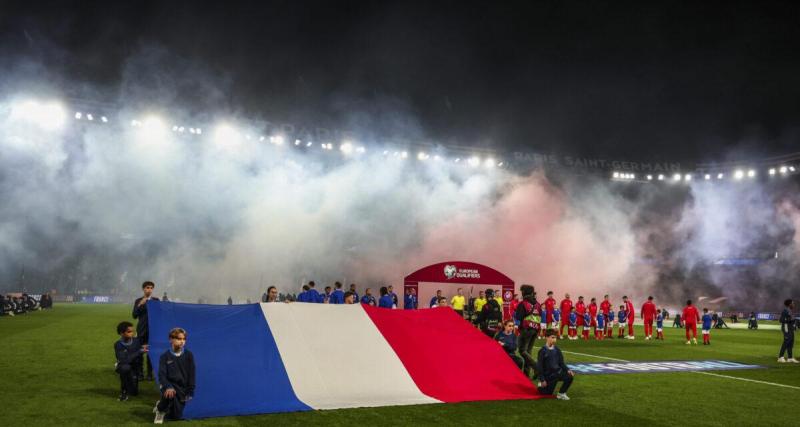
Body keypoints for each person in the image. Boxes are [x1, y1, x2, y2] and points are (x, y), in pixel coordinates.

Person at [154, 328, 196, 424]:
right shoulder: (164, 356)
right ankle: (160, 410)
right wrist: (168, 386)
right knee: (169, 392)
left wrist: (190, 390)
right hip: (168, 385)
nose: (182, 341)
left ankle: (161, 405)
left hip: (181, 388)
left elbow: (191, 374)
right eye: (178, 339)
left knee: (176, 416)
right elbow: (162, 375)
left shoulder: (189, 355)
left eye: (184, 339)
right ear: (170, 339)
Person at [536, 329, 575, 400]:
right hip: (549, 376)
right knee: (546, 394)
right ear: (546, 337)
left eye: (555, 337)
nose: (554, 339)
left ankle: (561, 393)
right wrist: (542, 379)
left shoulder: (557, 350)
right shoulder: (542, 351)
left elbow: (561, 363)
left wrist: (568, 370)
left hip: (557, 373)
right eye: (552, 337)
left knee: (569, 376)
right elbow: (540, 367)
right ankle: (540, 386)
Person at [132, 281, 159, 380]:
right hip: (142, 329)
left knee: (150, 352)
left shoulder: (156, 300)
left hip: (153, 330)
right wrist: (140, 304)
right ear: (143, 289)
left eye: (151, 288)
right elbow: (134, 315)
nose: (149, 289)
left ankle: (149, 374)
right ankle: (140, 373)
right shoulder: (138, 300)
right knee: (139, 352)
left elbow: (159, 314)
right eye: (147, 287)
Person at [114, 321, 147, 401]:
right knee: (125, 368)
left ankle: (132, 381)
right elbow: (124, 360)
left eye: (132, 331)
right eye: (129, 332)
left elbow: (139, 355)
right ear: (122, 333)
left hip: (135, 367)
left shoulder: (136, 341)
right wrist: (139, 351)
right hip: (124, 365)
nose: (132, 333)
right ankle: (123, 391)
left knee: (134, 392)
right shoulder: (118, 345)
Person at [514, 285, 540, 379]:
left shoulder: (523, 304)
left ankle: (536, 367)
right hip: (535, 330)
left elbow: (518, 319)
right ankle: (526, 374)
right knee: (528, 351)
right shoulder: (537, 304)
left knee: (522, 350)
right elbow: (539, 317)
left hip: (525, 330)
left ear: (524, 292)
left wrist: (516, 329)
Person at [778, 299, 798, 363]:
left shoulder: (789, 311)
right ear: (789, 304)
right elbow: (781, 320)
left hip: (790, 328)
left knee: (791, 343)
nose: (793, 304)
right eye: (793, 303)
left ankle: (790, 358)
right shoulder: (785, 311)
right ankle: (780, 357)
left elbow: (790, 319)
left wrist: (793, 323)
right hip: (786, 328)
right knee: (786, 342)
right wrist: (790, 320)